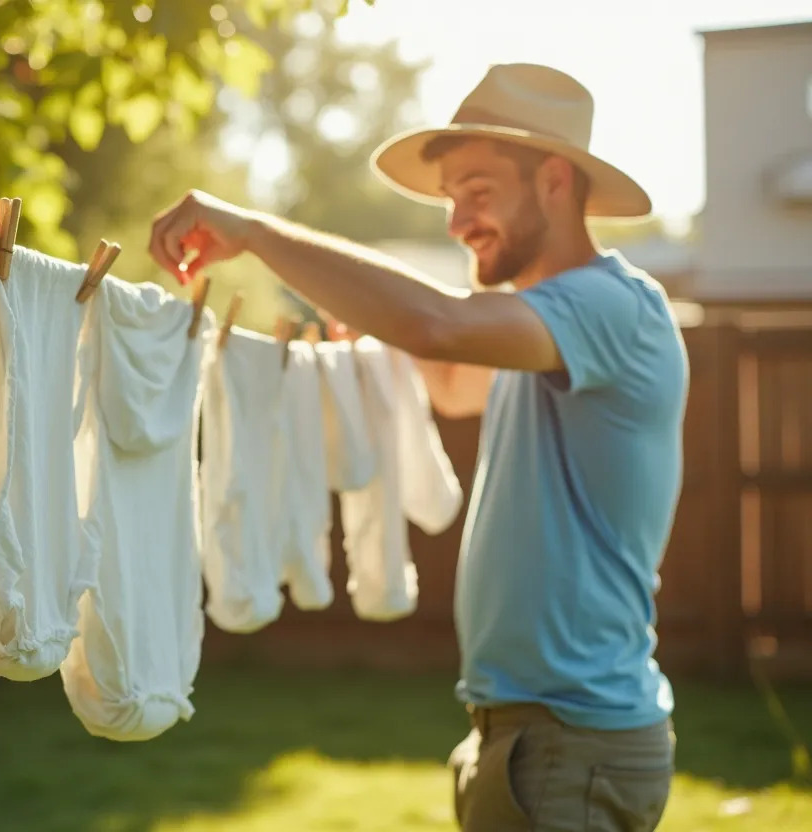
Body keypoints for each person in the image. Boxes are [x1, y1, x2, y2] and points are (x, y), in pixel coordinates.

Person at [147, 63, 687, 831]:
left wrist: (257, 234)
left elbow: (439, 325)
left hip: (572, 738)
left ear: (555, 182)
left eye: (478, 190)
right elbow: (452, 379)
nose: (457, 221)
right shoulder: (541, 329)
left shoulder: (611, 306)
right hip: (528, 733)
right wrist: (371, 330)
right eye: (450, 198)